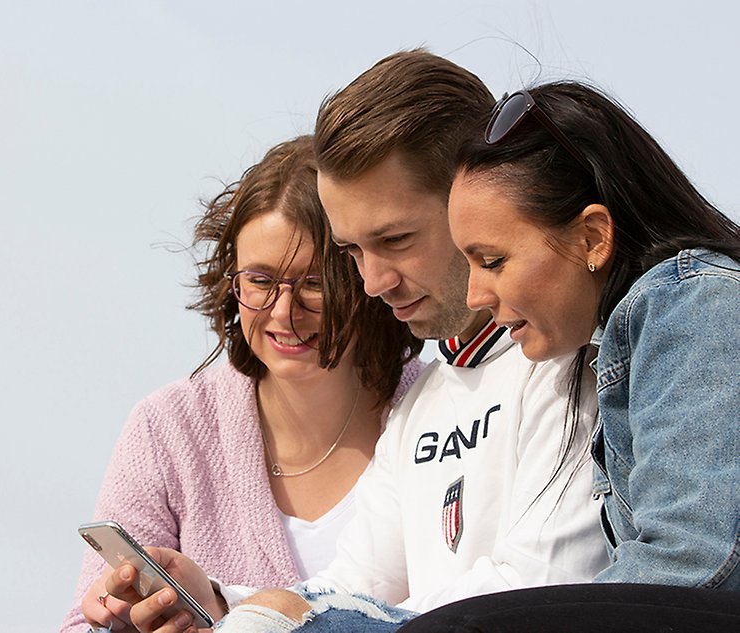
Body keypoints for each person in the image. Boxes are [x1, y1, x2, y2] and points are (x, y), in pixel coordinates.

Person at [94, 50, 610, 633]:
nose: (372, 283)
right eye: (354, 251)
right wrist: (218, 602)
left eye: (395, 239)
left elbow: (541, 593)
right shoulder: (421, 403)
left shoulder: (575, 363)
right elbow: (350, 585)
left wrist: (278, 621)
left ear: (472, 201)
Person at [408, 80, 740, 630]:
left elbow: (695, 562)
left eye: (491, 260)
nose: (473, 296)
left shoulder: (689, 300)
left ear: (592, 238)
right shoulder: (636, 331)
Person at [59, 135, 424, 633]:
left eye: (314, 283)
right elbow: (85, 622)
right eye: (259, 280)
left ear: (365, 274)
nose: (283, 312)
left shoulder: (440, 408)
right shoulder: (169, 430)